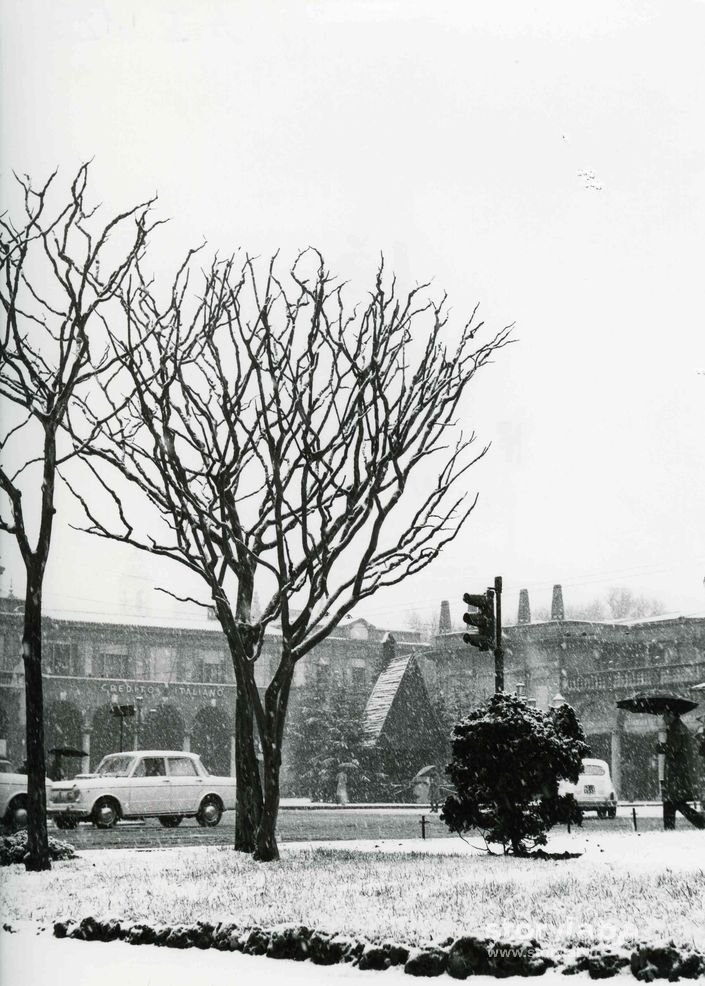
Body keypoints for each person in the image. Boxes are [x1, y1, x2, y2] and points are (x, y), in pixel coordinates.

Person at [658, 708, 705, 830]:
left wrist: (662, 746)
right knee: (672, 801)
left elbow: (673, 750)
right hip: (678, 772)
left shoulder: (676, 729)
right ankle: (669, 828)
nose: (663, 718)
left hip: (676, 773)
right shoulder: (678, 727)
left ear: (671, 715)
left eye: (665, 715)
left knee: (674, 801)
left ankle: (701, 823)